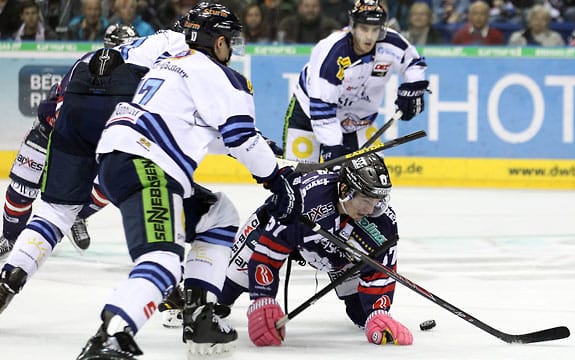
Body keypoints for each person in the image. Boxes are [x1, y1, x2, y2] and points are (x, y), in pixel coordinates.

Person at [72, 2, 301, 358]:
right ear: (217, 42)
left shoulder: (172, 62)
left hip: (122, 159)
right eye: (230, 40)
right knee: (163, 259)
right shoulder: (221, 76)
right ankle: (110, 338)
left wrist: (264, 151)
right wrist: (275, 178)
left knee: (217, 215)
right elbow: (242, 139)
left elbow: (207, 131)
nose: (233, 48)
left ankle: (200, 315)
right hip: (149, 166)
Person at [216, 153, 412, 346]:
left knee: (362, 314)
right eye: (366, 200)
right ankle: (195, 296)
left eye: (377, 201)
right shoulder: (306, 201)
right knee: (221, 298)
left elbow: (379, 273)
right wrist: (263, 299)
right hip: (273, 232)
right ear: (345, 190)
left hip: (335, 254)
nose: (371, 210)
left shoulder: (382, 223)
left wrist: (379, 312)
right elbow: (268, 253)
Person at [0, 24, 140, 260]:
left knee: (107, 185)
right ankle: (11, 236)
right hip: (56, 134)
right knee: (23, 187)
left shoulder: (136, 72)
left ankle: (76, 215)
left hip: (96, 142)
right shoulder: (87, 64)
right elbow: (56, 104)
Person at [282, 0, 429, 163]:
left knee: (369, 178)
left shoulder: (391, 42)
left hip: (358, 121)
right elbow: (322, 107)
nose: (369, 37)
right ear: (353, 26)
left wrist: (413, 88)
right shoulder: (332, 52)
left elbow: (413, 63)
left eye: (375, 30)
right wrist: (333, 147)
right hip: (309, 114)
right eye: (364, 29)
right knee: (297, 180)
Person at [277, 0, 341, 44]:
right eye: (307, 6)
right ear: (299, 8)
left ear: (320, 8)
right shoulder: (287, 24)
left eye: (314, 6)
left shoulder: (331, 25)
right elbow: (281, 46)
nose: (310, 10)